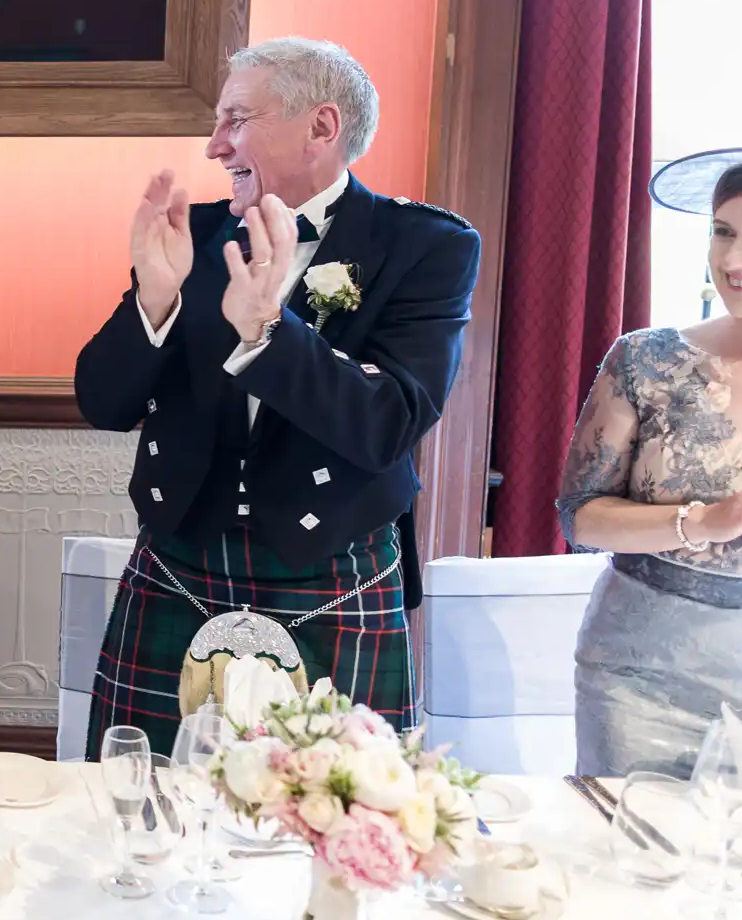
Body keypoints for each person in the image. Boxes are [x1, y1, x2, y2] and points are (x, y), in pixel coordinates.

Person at [75, 37, 481, 755]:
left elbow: (387, 425)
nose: (213, 145)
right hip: (179, 563)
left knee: (329, 819)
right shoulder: (192, 236)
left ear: (321, 128)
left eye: (236, 119)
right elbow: (103, 402)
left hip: (331, 575)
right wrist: (155, 300)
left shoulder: (424, 245)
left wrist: (270, 331)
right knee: (141, 800)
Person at [562, 154, 742, 777]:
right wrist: (702, 521)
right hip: (639, 674)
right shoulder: (646, 359)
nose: (731, 262)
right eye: (722, 233)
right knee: (623, 861)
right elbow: (580, 518)